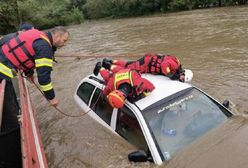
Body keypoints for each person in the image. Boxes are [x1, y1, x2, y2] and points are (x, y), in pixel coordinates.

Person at [0, 26, 69, 107]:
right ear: (57, 36)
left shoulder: (37, 34)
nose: (65, 44)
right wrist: (51, 98)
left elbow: (24, 52)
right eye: (64, 40)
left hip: (4, 60)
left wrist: (29, 73)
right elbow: (43, 77)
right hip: (4, 70)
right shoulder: (45, 48)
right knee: (10, 106)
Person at [101, 53, 187, 82]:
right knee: (128, 70)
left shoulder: (176, 63)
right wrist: (170, 75)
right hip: (145, 64)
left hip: (147, 61)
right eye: (183, 79)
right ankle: (108, 65)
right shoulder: (175, 65)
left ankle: (110, 61)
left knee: (127, 64)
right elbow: (164, 65)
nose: (181, 79)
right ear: (183, 73)